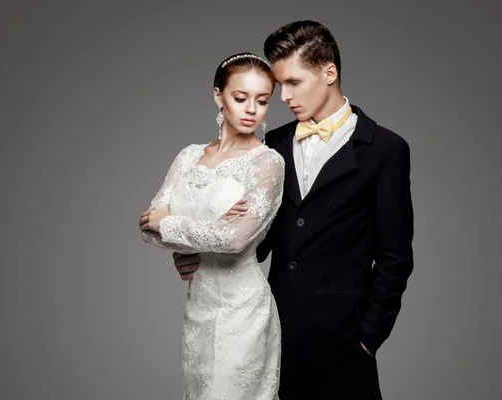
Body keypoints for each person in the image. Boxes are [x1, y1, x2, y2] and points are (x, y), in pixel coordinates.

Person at [173, 21, 414, 400]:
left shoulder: (385, 149)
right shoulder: (274, 144)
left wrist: (369, 337)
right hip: (270, 328)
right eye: (280, 84)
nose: (283, 96)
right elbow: (258, 235)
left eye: (294, 82)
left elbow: (394, 256)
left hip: (343, 339)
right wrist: (199, 254)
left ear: (329, 72)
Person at [139, 52, 285, 400]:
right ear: (218, 95)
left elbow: (234, 240)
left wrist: (170, 223)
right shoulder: (189, 156)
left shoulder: (268, 163)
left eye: (262, 101)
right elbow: (147, 225)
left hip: (243, 308)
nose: (252, 109)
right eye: (240, 97)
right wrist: (193, 238)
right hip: (199, 306)